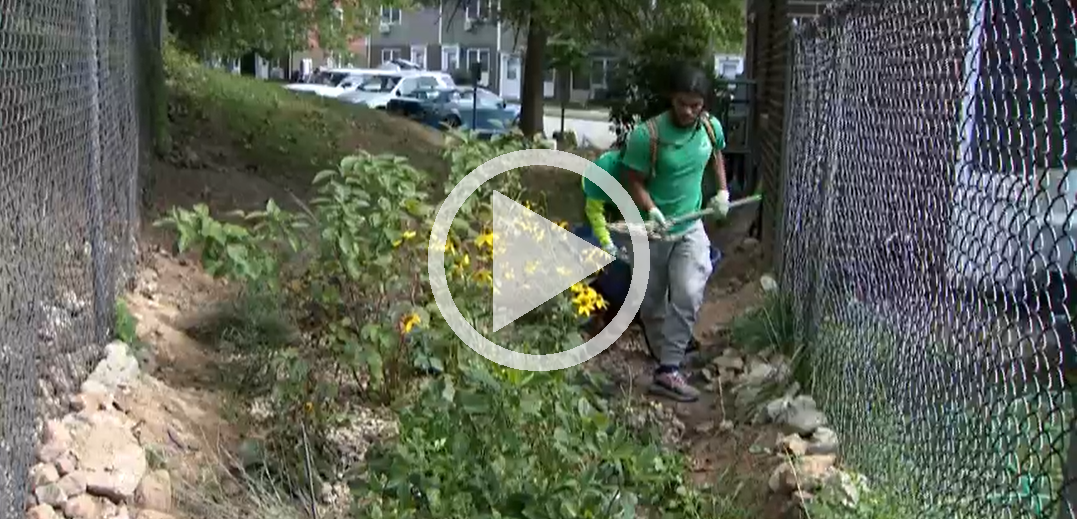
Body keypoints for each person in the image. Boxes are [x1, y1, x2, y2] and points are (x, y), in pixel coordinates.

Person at [620, 63, 730, 402]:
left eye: (695, 105)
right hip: (654, 230)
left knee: (687, 291)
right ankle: (663, 350)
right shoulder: (647, 135)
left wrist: (721, 192)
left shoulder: (710, 129)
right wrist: (651, 210)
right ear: (672, 98)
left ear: (704, 105)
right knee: (652, 300)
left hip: (690, 226)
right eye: (682, 103)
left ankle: (668, 369)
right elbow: (632, 179)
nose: (688, 111)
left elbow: (716, 157)